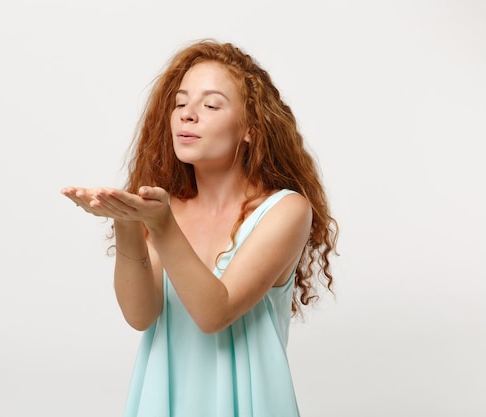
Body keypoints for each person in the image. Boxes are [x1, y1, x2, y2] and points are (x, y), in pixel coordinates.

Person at [61, 39, 338, 417]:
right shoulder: (165, 209)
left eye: (210, 105)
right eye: (180, 104)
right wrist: (128, 223)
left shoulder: (286, 210)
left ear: (251, 129)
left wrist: (159, 224)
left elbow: (213, 312)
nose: (187, 115)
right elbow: (140, 315)